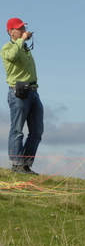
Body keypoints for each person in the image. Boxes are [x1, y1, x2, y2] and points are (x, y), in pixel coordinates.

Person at [3, 18, 43, 175]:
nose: (23, 30)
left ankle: (25, 165)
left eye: (24, 27)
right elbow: (12, 56)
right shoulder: (7, 47)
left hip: (33, 91)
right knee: (17, 129)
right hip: (18, 91)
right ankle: (17, 165)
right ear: (10, 32)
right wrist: (21, 41)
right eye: (19, 28)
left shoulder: (25, 48)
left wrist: (23, 43)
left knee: (37, 131)